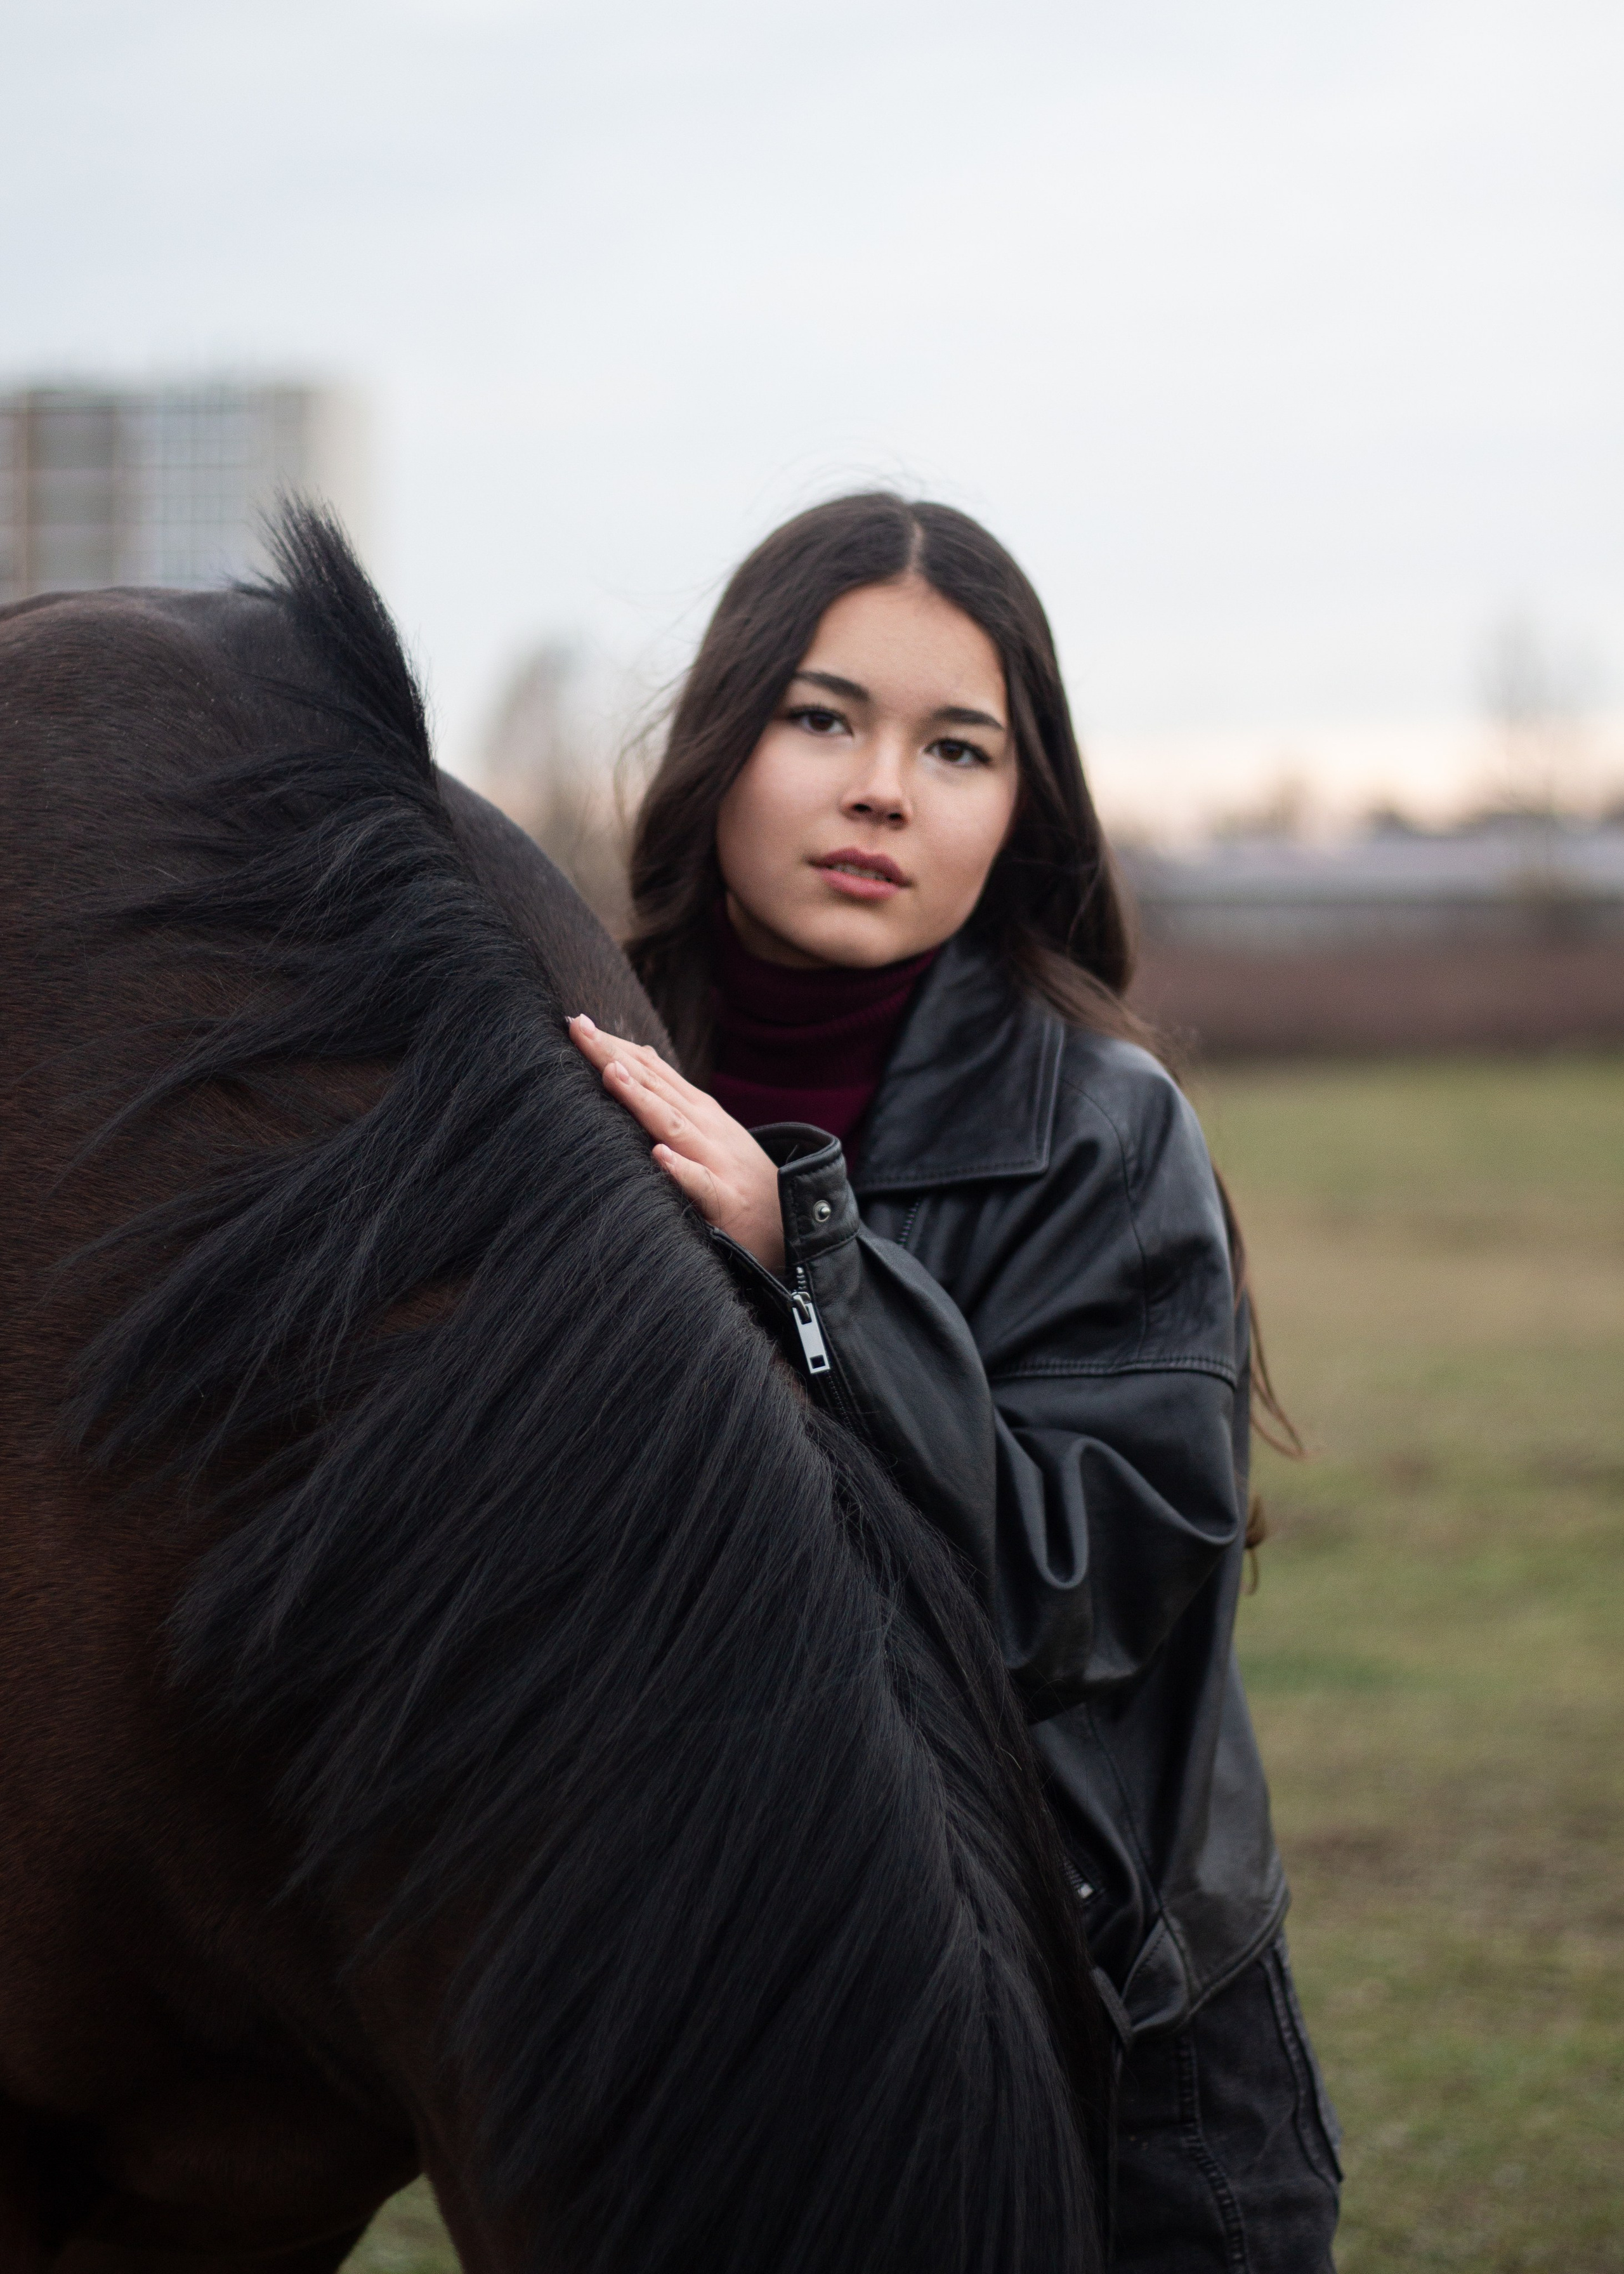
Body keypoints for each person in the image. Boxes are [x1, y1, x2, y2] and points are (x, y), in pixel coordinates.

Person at [568, 493, 1342, 2270]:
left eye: (959, 746)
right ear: (726, 739)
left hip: (1104, 2023)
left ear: (1021, 809)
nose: (882, 791)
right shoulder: (575, 1090)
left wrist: (809, 1267)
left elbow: (1091, 1589)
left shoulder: (1097, 1124)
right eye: (823, 718)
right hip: (696, 2016)